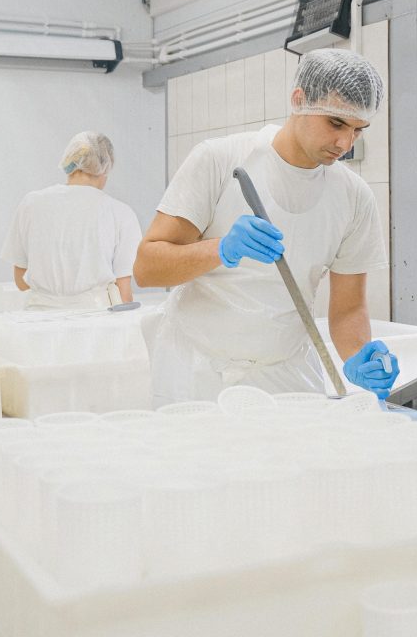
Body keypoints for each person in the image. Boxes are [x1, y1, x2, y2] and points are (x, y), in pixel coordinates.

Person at [134, 48, 402, 405]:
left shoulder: (353, 197)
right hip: (196, 368)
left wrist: (358, 356)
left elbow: (349, 308)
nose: (345, 143)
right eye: (336, 123)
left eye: (357, 130)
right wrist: (220, 249)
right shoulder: (220, 160)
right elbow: (147, 269)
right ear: (298, 100)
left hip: (285, 372)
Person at [1, 131, 142, 310]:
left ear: (69, 162)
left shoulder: (31, 203)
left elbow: (21, 281)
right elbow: (124, 291)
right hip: (96, 320)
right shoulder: (121, 212)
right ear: (107, 166)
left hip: (38, 319)